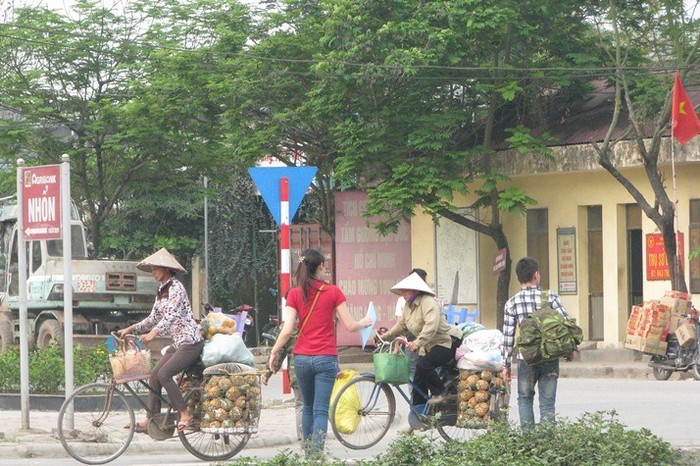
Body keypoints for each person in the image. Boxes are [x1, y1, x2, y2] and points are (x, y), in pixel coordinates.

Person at [267, 248, 372, 458]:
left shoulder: (295, 293)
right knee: (321, 410)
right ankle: (316, 455)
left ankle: (308, 455)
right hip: (326, 358)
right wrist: (365, 322)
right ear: (321, 266)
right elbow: (350, 326)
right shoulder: (333, 292)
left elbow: (288, 330)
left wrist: (274, 352)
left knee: (307, 407)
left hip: (302, 359)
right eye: (324, 266)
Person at [118, 248, 203, 433]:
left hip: (190, 342)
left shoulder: (176, 288)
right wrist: (131, 329)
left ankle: (185, 414)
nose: (153, 273)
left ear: (165, 269)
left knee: (165, 374)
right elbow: (153, 317)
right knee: (155, 374)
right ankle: (152, 418)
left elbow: (171, 315)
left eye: (155, 269)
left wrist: (154, 333)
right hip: (178, 343)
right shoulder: (161, 290)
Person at [501, 256, 570, 429]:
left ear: (518, 277)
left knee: (525, 400)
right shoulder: (551, 297)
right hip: (550, 356)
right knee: (547, 404)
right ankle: (547, 445)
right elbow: (566, 322)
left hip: (526, 358)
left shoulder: (512, 303)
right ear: (536, 275)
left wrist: (506, 364)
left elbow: (508, 337)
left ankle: (529, 444)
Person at [381, 272, 462, 407]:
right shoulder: (408, 306)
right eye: (402, 291)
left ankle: (442, 392)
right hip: (429, 345)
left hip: (446, 342)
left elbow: (431, 326)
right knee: (418, 378)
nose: (403, 294)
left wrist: (418, 342)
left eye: (406, 291)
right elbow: (402, 325)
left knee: (424, 364)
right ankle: (418, 415)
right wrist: (386, 336)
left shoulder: (428, 302)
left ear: (415, 291)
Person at [392, 268, 427, 381]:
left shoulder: (427, 301)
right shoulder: (405, 301)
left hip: (419, 342)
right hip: (412, 341)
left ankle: (417, 397)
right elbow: (400, 324)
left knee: (414, 373)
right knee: (415, 373)